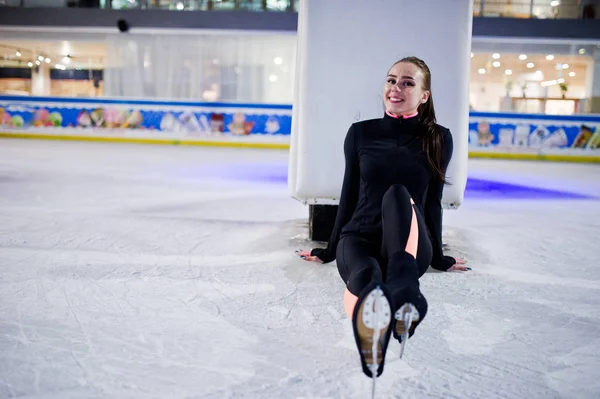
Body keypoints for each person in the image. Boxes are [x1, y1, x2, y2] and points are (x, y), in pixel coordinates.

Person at [296, 56, 469, 377]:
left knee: (398, 194)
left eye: (407, 82)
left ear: (424, 95)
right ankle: (374, 329)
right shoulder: (361, 133)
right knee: (366, 272)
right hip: (359, 234)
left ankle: (405, 294)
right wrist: (330, 249)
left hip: (410, 240)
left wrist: (439, 256)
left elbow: (433, 202)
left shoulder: (438, 137)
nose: (396, 88)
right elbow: (348, 195)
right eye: (391, 80)